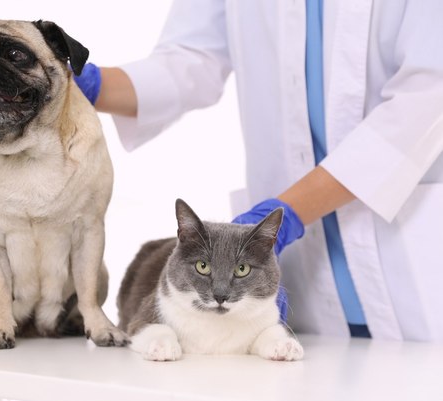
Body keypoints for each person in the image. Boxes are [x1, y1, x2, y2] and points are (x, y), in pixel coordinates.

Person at [74, 0, 443, 341]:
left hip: (412, 279)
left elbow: (427, 96)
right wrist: (86, 84)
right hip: (301, 299)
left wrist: (292, 211)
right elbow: (191, 58)